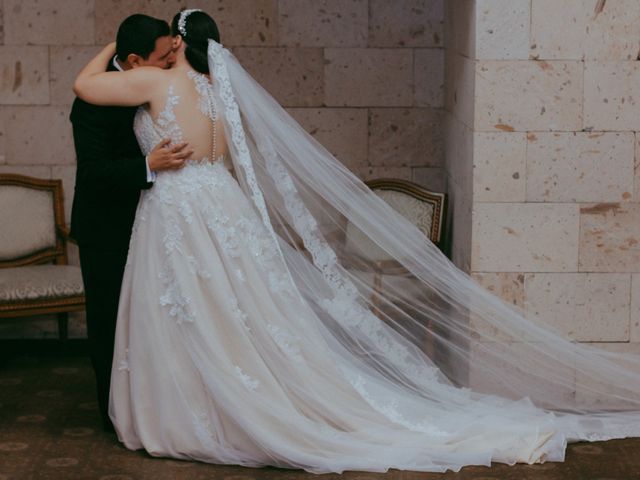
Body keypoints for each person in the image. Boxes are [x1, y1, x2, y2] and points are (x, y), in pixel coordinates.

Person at [73, 9, 640, 474]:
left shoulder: (155, 79)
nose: (169, 47)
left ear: (173, 47)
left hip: (178, 205)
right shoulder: (215, 90)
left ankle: (191, 409)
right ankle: (226, 395)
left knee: (191, 308)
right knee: (232, 308)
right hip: (219, 200)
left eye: (172, 40)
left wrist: (108, 46)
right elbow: (221, 155)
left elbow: (84, 85)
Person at [69, 13, 193, 432]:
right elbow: (92, 172)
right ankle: (114, 415)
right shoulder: (92, 97)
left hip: (156, 222)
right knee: (108, 321)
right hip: (107, 225)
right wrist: (147, 165)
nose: (170, 62)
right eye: (163, 56)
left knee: (151, 318)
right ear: (136, 60)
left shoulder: (159, 77)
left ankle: (154, 406)